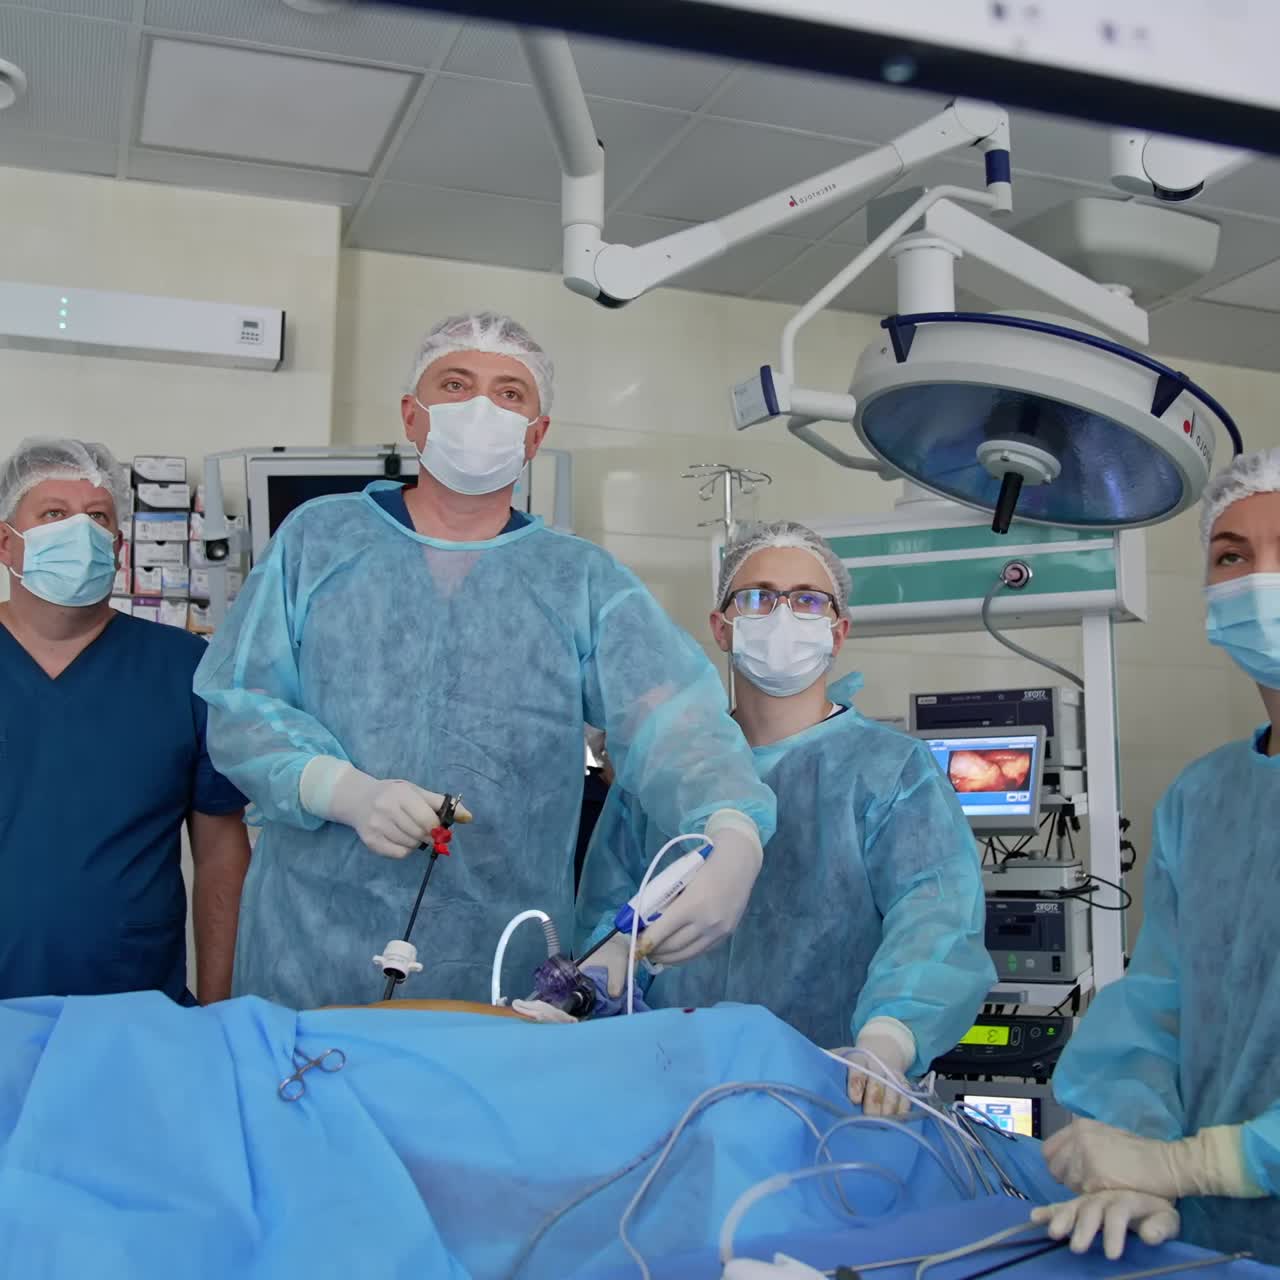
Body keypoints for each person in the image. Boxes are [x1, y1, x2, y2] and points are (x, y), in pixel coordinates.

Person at [194, 311, 775, 1010]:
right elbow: (241, 705)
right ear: (413, 417)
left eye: (510, 393)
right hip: (309, 951)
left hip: (499, 956)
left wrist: (733, 829)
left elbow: (675, 723)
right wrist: (341, 790)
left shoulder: (581, 582)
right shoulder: (318, 541)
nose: (481, 407)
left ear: (537, 434)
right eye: (456, 383)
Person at [577, 520, 993, 1113]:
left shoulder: (891, 771)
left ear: (838, 630)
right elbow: (608, 915)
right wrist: (594, 988)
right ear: (721, 628)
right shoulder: (666, 775)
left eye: (806, 600)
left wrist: (887, 1040)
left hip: (832, 1098)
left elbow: (934, 919)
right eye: (757, 597)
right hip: (669, 1094)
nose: (782, 614)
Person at [1036, 448, 1280, 1264]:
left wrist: (1193, 1163)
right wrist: (1135, 1154)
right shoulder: (1205, 799)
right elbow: (1160, 1005)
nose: (1258, 578)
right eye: (1232, 556)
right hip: (1219, 1240)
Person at [0, 437, 249, 1004]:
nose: (78, 532)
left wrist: (215, 1011)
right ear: (6, 544)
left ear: (116, 549)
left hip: (134, 1006)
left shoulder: (184, 669)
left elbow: (219, 853)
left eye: (97, 518)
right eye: (54, 514)